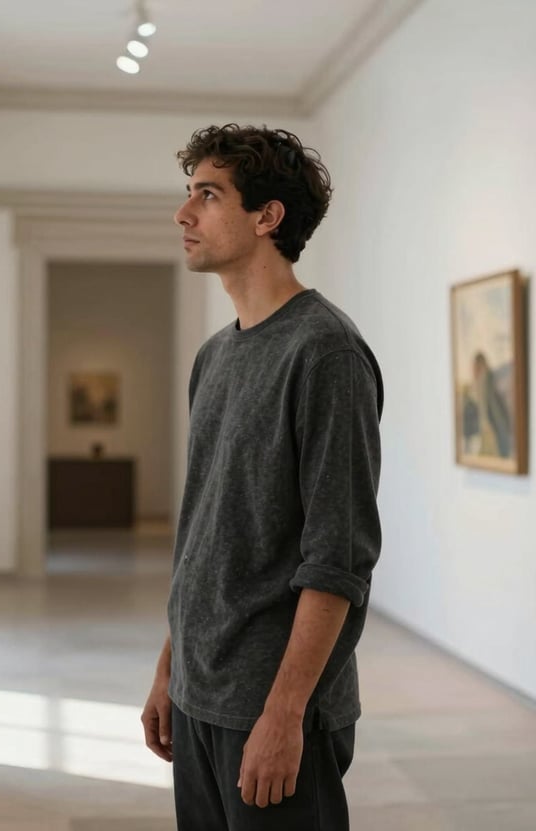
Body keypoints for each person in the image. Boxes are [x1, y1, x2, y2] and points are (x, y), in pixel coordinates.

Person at [141, 124, 383, 831]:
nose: (184, 214)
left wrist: (286, 713)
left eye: (207, 195)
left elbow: (337, 559)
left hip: (273, 706)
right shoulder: (214, 357)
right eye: (188, 195)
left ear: (266, 216)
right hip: (198, 693)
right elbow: (203, 534)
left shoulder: (327, 353)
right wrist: (169, 668)